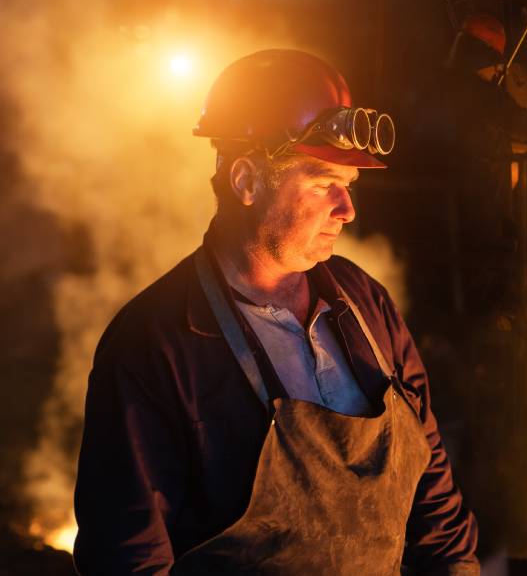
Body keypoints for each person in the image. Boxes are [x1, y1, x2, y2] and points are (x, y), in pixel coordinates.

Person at [73, 49, 479, 575]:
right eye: (321, 184)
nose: (347, 209)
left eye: (349, 186)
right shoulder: (156, 344)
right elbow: (128, 557)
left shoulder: (365, 303)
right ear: (246, 181)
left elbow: (433, 495)